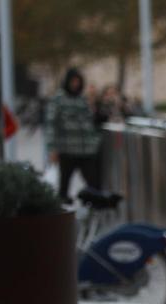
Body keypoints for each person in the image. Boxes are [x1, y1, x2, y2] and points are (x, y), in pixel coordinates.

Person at [45, 68, 101, 203]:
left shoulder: (82, 99)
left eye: (78, 81)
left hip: (85, 150)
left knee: (93, 182)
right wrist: (52, 148)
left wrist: (95, 142)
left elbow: (89, 123)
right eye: (73, 81)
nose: (75, 84)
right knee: (64, 184)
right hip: (67, 149)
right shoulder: (58, 100)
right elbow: (51, 125)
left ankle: (92, 208)